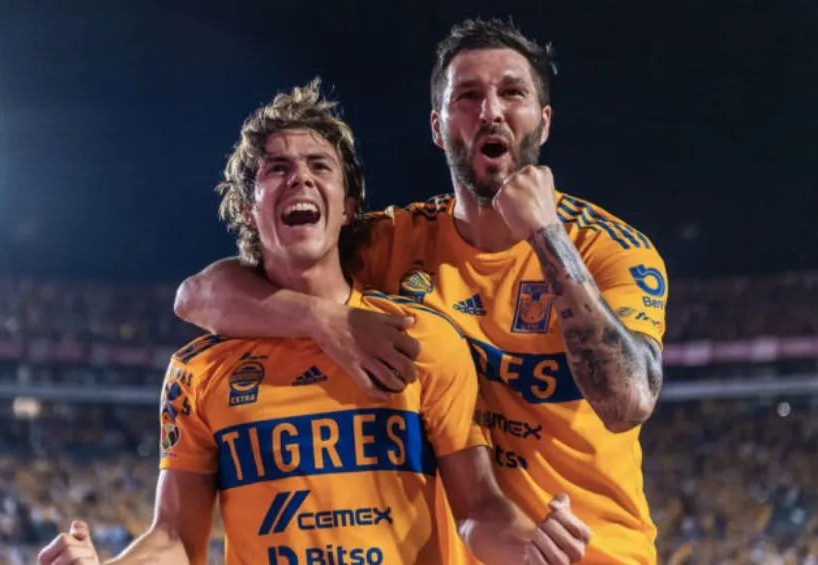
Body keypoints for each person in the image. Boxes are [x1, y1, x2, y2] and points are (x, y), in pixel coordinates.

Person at [174, 18, 667, 565]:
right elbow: (199, 295)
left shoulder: (612, 250)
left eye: (512, 92)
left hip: (591, 553)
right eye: (468, 96)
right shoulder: (395, 239)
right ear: (437, 125)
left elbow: (627, 403)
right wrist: (319, 318)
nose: (491, 111)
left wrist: (544, 234)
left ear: (543, 121)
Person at [37, 81, 590, 565]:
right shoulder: (197, 370)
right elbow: (178, 540)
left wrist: (526, 545)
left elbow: (477, 510)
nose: (298, 178)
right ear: (249, 209)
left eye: (319, 165)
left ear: (349, 206)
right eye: (276, 168)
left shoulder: (423, 338)